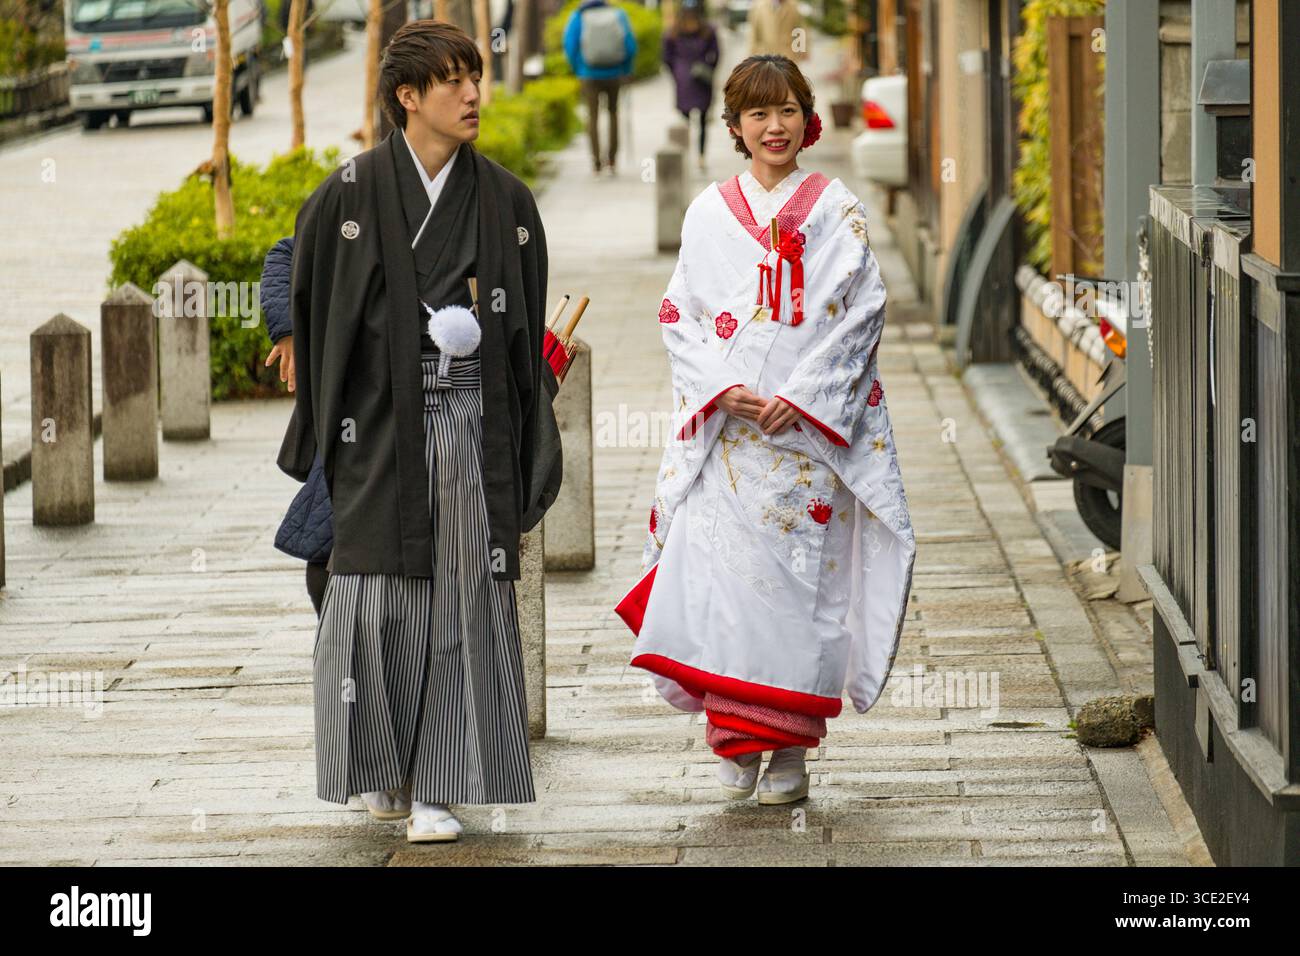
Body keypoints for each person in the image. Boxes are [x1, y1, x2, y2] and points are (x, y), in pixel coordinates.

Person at [280, 19, 563, 843]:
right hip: (373, 426)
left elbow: (521, 328)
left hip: (469, 424)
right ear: (409, 96)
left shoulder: (505, 199)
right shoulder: (347, 193)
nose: (474, 94)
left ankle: (443, 782)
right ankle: (380, 764)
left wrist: (521, 423)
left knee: (464, 599)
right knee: (371, 596)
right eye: (454, 81)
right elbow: (312, 301)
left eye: (476, 77)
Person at [614, 54, 914, 805]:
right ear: (736, 127)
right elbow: (680, 313)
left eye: (786, 110)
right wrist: (724, 388)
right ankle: (733, 743)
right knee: (725, 589)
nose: (773, 126)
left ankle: (786, 754)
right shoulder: (709, 213)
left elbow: (861, 310)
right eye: (757, 114)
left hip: (805, 440)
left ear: (806, 118)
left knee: (796, 596)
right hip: (732, 435)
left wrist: (806, 396)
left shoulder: (836, 208)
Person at [263, 236, 333, 615]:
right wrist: (287, 330)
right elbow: (286, 253)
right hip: (352, 411)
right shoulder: (355, 199)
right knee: (324, 559)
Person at [563, 0, 637, 175]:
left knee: (592, 116)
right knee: (613, 113)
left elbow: (570, 45)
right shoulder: (618, 14)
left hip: (588, 74)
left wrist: (578, 67)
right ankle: (612, 160)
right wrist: (626, 69)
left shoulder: (578, 15)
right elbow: (630, 45)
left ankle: (596, 162)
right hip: (614, 73)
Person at [662, 0, 719, 172]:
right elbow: (716, 55)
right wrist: (708, 70)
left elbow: (666, 58)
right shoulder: (708, 30)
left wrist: (677, 73)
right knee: (702, 121)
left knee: (685, 121)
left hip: (683, 79)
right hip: (701, 77)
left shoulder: (672, 32)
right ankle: (701, 157)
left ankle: (686, 156)